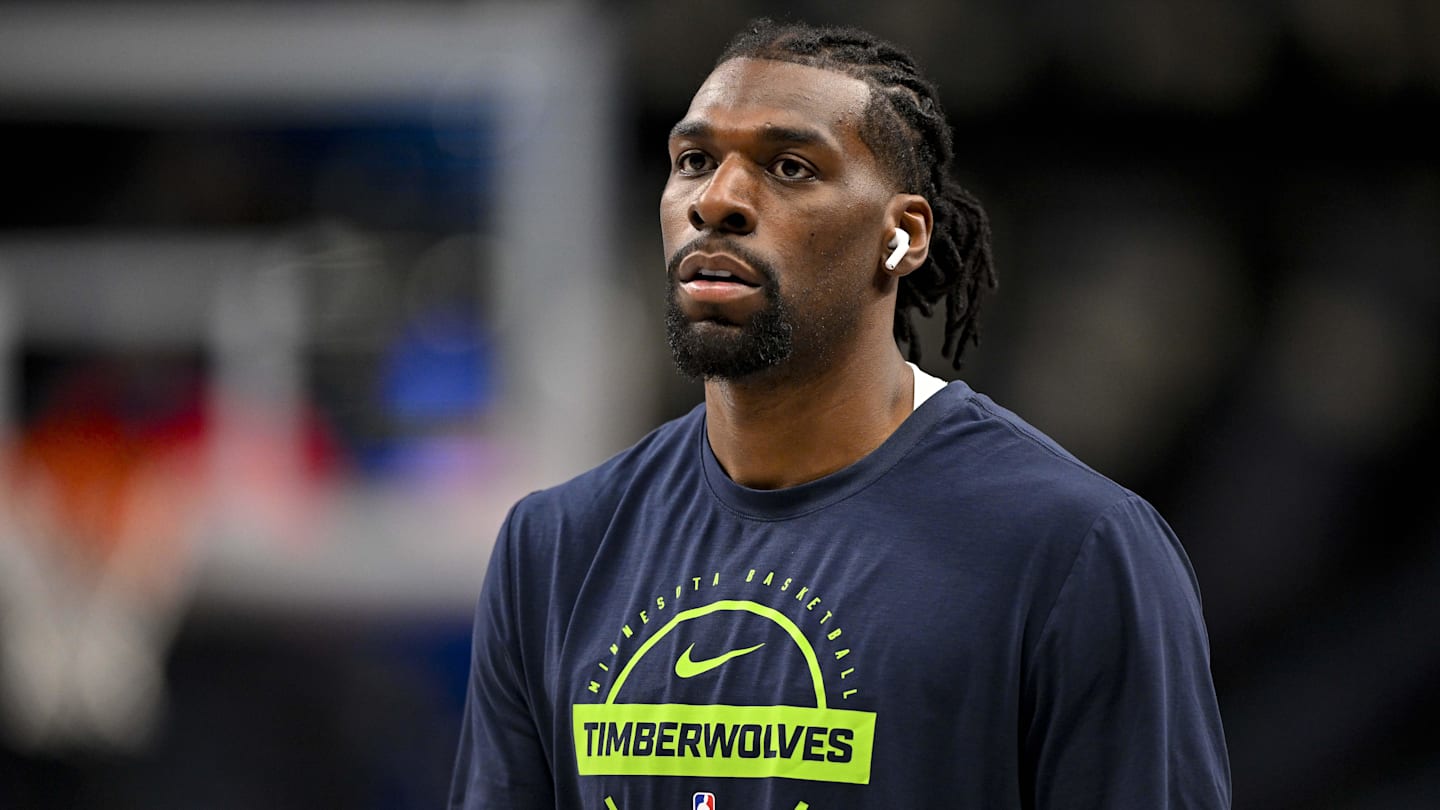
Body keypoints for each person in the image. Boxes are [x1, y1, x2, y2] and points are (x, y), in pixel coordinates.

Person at [451, 18, 1230, 810]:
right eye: (693, 161)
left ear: (903, 237)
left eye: (788, 167)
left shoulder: (1073, 550)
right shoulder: (555, 548)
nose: (716, 201)